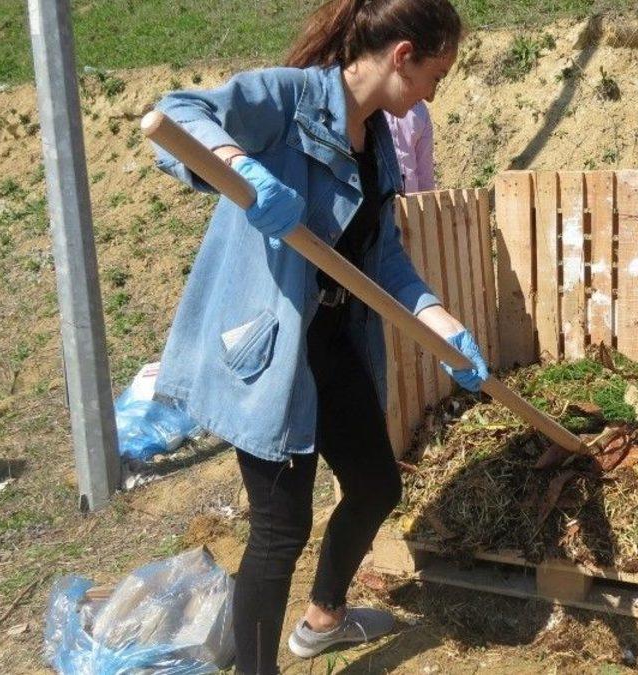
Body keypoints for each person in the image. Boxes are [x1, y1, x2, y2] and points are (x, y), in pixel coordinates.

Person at [148, 1, 485, 672]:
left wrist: (446, 326)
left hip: (331, 341)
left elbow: (382, 258)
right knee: (281, 529)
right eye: (434, 75)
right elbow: (175, 115)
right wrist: (241, 167)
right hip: (270, 351)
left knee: (376, 485)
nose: (432, 93)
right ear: (402, 56)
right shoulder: (290, 99)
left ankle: (323, 619)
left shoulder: (377, 141)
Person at [385, 101, 435, 192]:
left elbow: (425, 172)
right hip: (378, 198)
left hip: (412, 196)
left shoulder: (420, 110)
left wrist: (428, 198)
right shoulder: (369, 107)